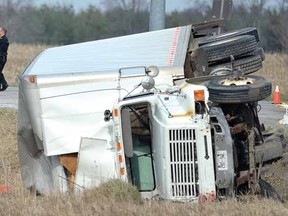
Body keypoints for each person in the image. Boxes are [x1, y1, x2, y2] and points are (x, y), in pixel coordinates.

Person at [0, 27, 9, 91]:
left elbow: (2, 49)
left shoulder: (4, 40)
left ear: (2, 32)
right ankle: (4, 84)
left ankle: (4, 84)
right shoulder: (2, 39)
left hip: (1, 58)